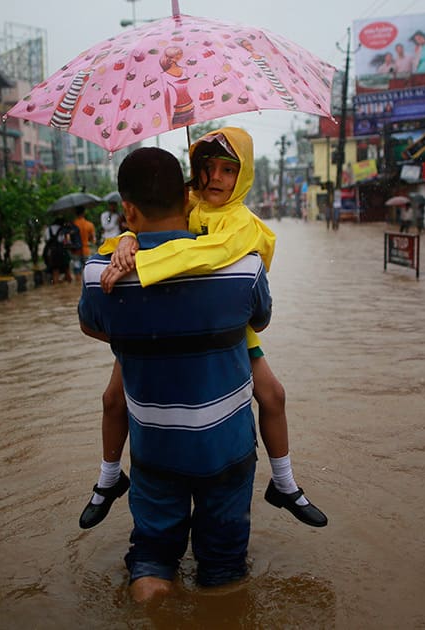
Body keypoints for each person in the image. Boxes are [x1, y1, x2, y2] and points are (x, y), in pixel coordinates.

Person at [78, 127, 327, 532]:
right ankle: (108, 478)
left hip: (227, 328)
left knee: (273, 395)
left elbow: (206, 254)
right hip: (162, 323)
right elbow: (150, 222)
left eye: (228, 170)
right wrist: (126, 240)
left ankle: (283, 481)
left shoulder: (241, 225)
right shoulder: (189, 203)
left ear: (243, 176)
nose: (214, 178)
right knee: (111, 400)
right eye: (206, 167)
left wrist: (142, 262)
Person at [78, 146, 272, 601]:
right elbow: (259, 322)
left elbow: (93, 326)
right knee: (224, 573)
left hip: (155, 452)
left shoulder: (99, 277)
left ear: (127, 209)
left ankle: (150, 601)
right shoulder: (242, 266)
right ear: (189, 199)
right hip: (227, 451)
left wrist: (149, 336)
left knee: (149, 565)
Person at [42, 213, 80, 284]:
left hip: (53, 252)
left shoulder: (48, 229)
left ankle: (56, 286)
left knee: (55, 271)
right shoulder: (63, 229)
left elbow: (47, 239)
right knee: (67, 270)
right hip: (62, 251)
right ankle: (70, 286)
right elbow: (65, 241)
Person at [71, 206, 97, 282]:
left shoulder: (72, 224)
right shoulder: (90, 225)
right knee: (88, 272)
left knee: (77, 271)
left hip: (75, 251)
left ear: (75, 214)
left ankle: (77, 285)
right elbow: (93, 240)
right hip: (86, 250)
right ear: (84, 213)